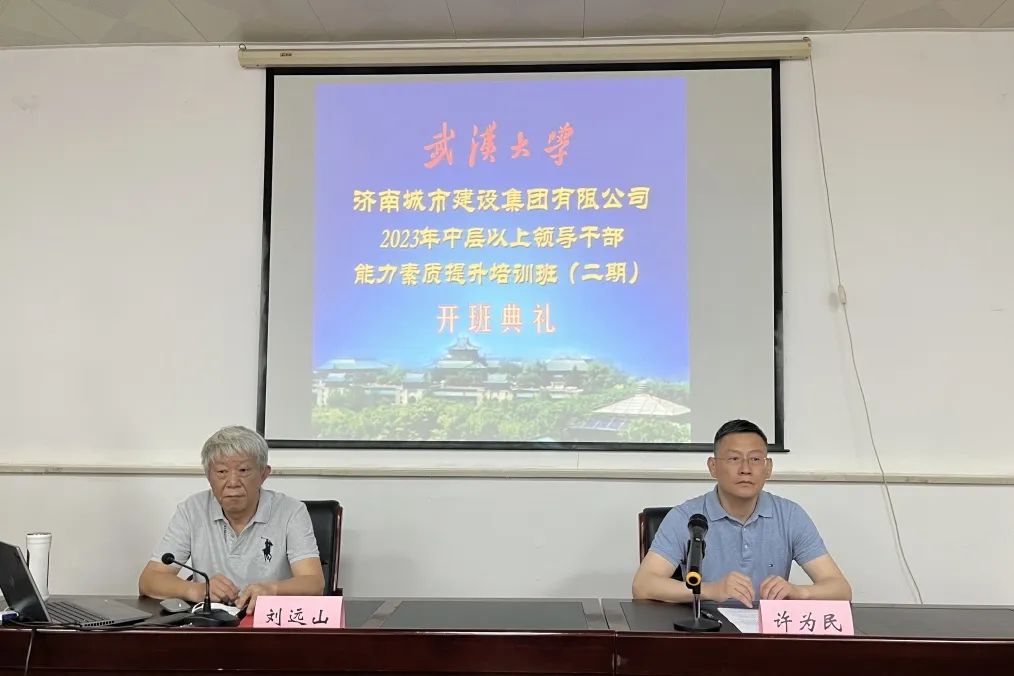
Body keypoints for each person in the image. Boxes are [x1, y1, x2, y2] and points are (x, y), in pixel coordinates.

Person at [632, 419, 851, 607]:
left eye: (755, 459)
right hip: (707, 631)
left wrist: (798, 592)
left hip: (767, 633)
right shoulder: (687, 517)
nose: (745, 469)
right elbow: (643, 585)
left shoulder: (790, 516)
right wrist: (711, 590)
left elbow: (840, 590)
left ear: (768, 467)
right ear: (713, 467)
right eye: (734, 459)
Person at [139, 426, 324, 611]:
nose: (233, 482)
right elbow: (149, 580)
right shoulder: (192, 510)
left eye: (243, 470)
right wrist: (198, 590)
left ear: (263, 474)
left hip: (268, 620)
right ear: (208, 476)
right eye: (221, 472)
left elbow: (314, 583)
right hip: (211, 622)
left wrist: (273, 590)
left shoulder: (291, 511)